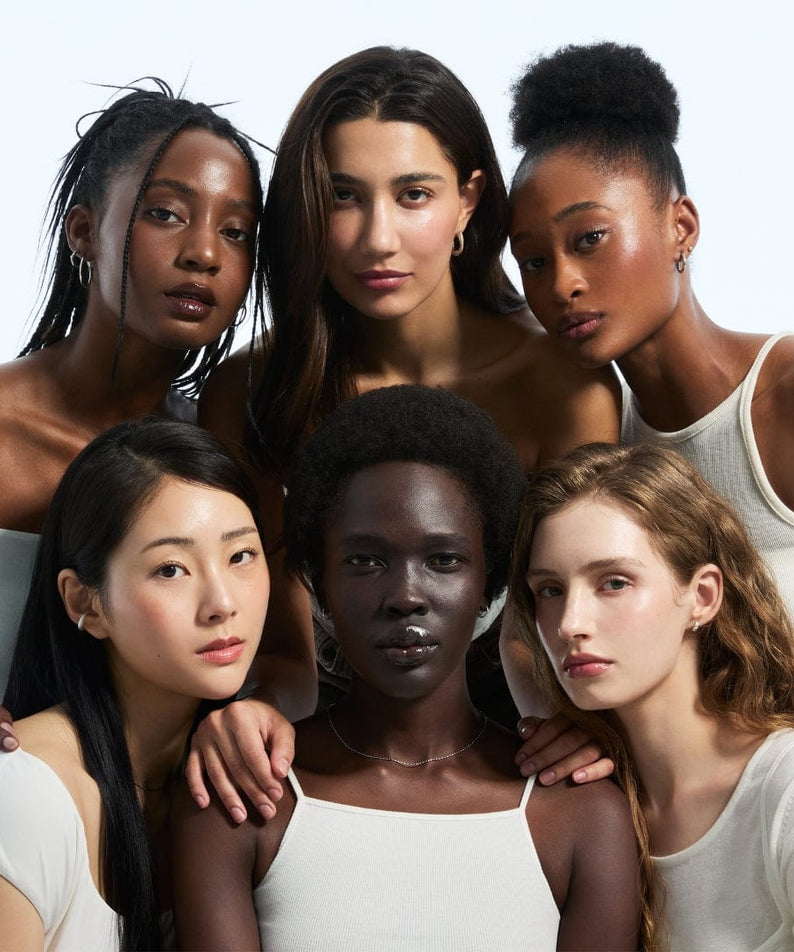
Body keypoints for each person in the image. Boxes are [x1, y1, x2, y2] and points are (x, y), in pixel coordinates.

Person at [191, 47, 621, 818]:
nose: (376, 239)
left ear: (468, 201)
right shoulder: (250, 393)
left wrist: (571, 723)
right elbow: (284, 649)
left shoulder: (561, 386)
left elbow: (551, 622)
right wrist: (248, 713)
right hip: (308, 759)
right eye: (344, 197)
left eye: (413, 194)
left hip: (509, 755)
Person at [172, 386, 641, 952]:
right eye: (365, 560)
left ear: (489, 582)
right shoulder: (245, 799)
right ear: (318, 580)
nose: (406, 597)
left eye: (444, 560)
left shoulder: (583, 812)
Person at [507, 41, 794, 625]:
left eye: (590, 238)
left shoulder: (783, 394)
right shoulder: (593, 440)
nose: (563, 284)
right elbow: (528, 628)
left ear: (680, 227)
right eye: (533, 261)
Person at [0, 79, 265, 702]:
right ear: (85, 232)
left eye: (236, 232)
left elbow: (271, 662)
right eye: (165, 214)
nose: (203, 253)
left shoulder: (216, 449)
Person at [512, 442, 794, 950]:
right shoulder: (586, 804)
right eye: (550, 590)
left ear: (702, 597)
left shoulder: (784, 791)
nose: (570, 624)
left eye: (613, 582)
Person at [0, 419, 269, 950]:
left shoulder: (242, 781)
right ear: (85, 603)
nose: (222, 603)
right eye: (171, 569)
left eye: (240, 556)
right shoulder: (23, 792)